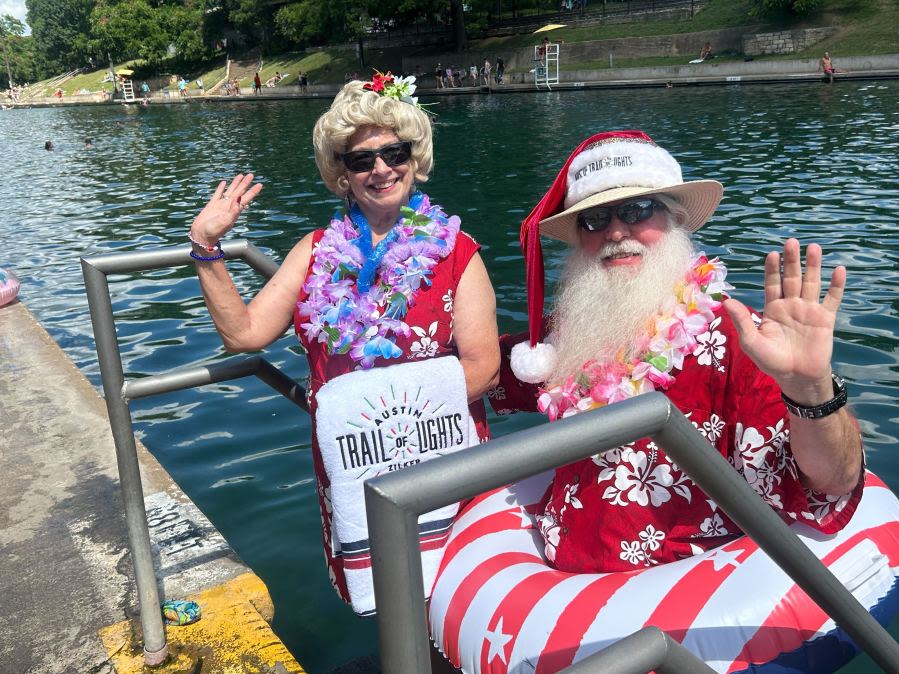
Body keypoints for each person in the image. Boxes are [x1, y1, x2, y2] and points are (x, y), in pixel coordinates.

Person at [491, 129, 864, 574]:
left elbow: (828, 485)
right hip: (564, 580)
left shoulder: (737, 338)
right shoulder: (576, 333)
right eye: (593, 219)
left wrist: (811, 387)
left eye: (636, 210)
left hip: (675, 595)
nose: (614, 231)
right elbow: (495, 370)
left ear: (677, 220)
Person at [188, 74, 500, 604]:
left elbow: (484, 368)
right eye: (361, 160)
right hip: (356, 466)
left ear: (413, 158)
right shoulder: (313, 252)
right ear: (343, 176)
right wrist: (206, 244)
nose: (381, 169)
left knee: (459, 594)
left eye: (393, 153)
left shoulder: (456, 252)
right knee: (387, 599)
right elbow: (244, 333)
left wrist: (390, 419)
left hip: (444, 455)